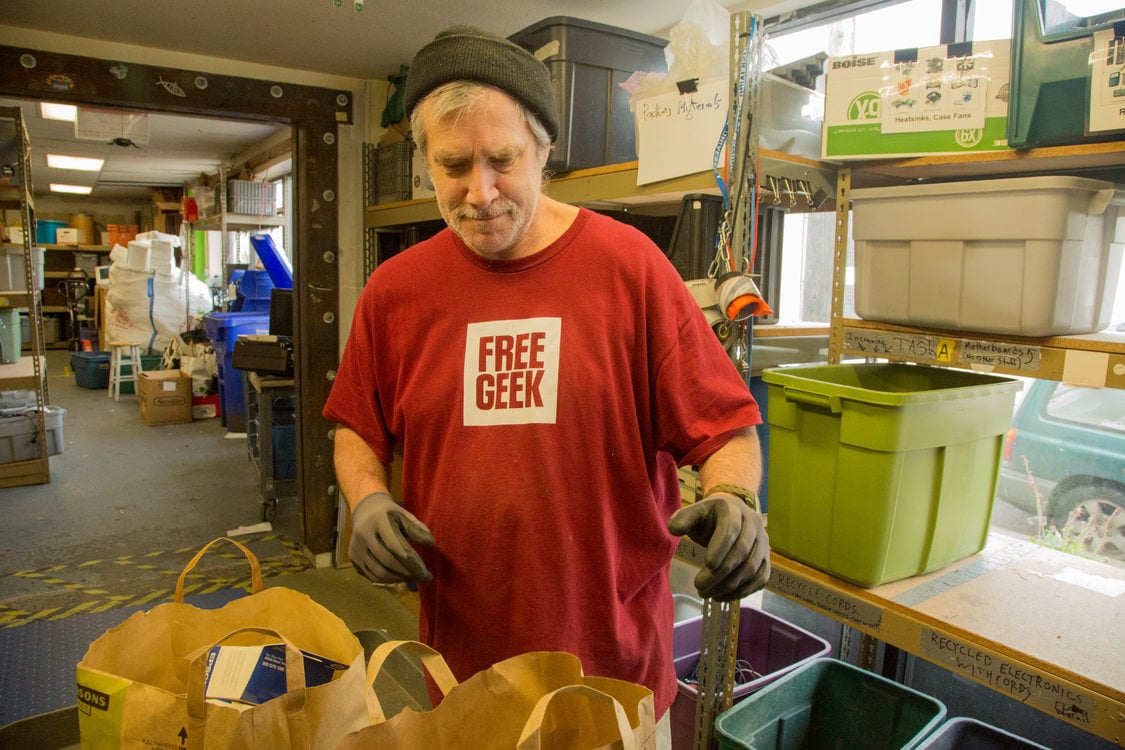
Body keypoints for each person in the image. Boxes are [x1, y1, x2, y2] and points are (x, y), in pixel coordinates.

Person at [323, 24, 770, 745]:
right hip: (462, 674)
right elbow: (357, 426)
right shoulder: (396, 291)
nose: (479, 192)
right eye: (453, 166)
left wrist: (734, 496)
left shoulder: (630, 270)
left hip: (611, 670)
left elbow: (723, 426)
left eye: (502, 160)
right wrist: (366, 497)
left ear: (543, 149)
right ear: (426, 164)